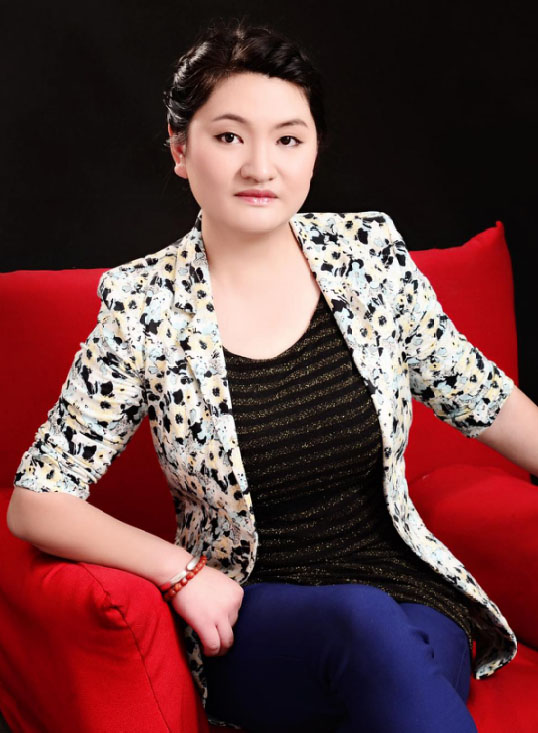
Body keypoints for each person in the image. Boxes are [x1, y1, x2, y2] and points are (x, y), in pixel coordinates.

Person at [7, 15, 538, 733]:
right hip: (252, 615)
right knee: (362, 626)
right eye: (230, 137)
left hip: (409, 593)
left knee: (391, 649)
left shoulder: (368, 257)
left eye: (288, 139)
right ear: (180, 149)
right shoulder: (144, 308)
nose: (261, 167)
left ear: (313, 151)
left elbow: (484, 399)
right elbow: (38, 500)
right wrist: (182, 573)